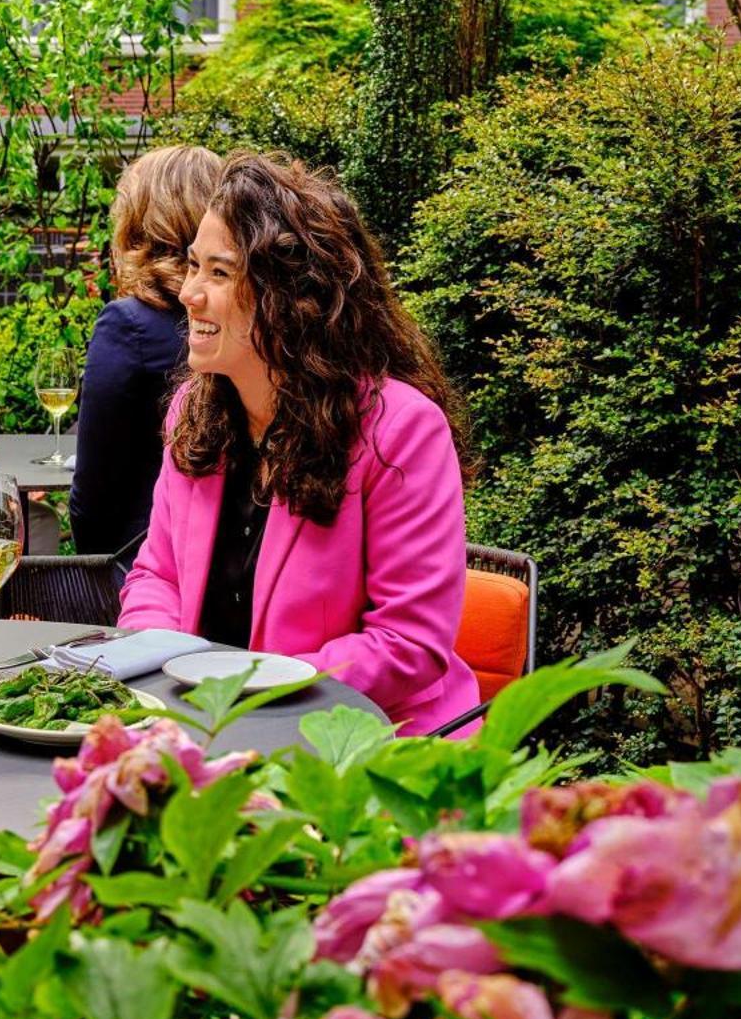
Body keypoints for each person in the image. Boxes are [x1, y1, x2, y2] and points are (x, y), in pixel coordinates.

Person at [120, 154, 481, 734]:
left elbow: (407, 644)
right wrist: (171, 667)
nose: (188, 293)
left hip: (365, 743)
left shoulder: (401, 430)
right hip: (208, 727)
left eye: (219, 273)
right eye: (193, 266)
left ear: (291, 297)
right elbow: (155, 577)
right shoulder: (196, 412)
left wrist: (247, 685)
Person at [69, 145, 221, 565]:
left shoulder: (128, 325)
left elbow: (94, 494)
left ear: (137, 222)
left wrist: (94, 580)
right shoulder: (245, 322)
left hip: (144, 563)